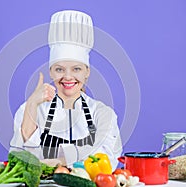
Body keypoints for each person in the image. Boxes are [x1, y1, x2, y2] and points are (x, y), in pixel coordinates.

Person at [10, 10, 122, 169]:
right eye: (59, 69)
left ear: (87, 71)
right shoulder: (31, 110)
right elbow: (20, 158)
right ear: (50, 71)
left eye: (76, 69)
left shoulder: (103, 114)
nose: (68, 77)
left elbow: (106, 160)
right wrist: (32, 103)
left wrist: (50, 161)